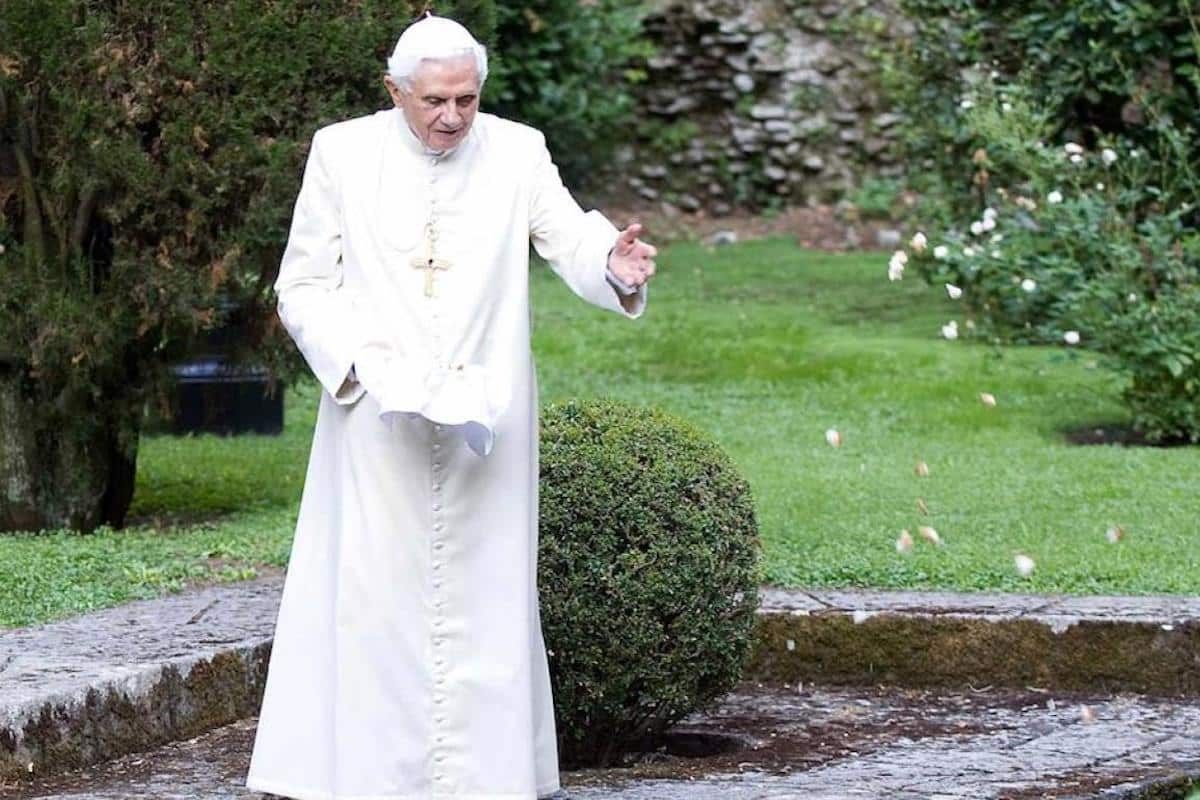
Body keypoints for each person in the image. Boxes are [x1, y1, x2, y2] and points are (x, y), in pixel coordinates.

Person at [245, 12, 656, 800]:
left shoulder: (518, 149)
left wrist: (614, 262)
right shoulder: (341, 150)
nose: (452, 118)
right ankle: (365, 778)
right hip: (375, 414)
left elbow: (567, 237)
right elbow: (301, 284)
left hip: (486, 414)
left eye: (466, 99)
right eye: (434, 100)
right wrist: (360, 372)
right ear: (394, 90)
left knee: (485, 590)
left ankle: (485, 780)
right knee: (374, 596)